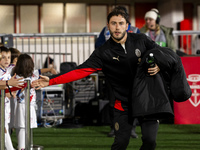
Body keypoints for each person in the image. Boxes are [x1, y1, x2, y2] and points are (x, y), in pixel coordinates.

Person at [32, 7, 191, 150]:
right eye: (113, 23)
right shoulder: (103, 52)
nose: (117, 27)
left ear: (127, 26)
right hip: (123, 104)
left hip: (146, 100)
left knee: (150, 142)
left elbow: (161, 54)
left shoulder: (141, 40)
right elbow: (80, 71)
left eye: (121, 23)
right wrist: (52, 80)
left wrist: (158, 65)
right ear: (107, 26)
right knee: (121, 143)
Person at [95, 6, 139, 138]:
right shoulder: (106, 30)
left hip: (132, 72)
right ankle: (115, 128)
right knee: (113, 101)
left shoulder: (136, 31)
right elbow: (98, 47)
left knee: (133, 101)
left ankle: (131, 129)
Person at [12, 53, 57, 150]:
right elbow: (17, 92)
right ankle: (21, 147)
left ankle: (29, 146)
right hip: (21, 106)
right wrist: (27, 86)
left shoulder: (33, 74)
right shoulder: (17, 77)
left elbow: (40, 70)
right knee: (21, 127)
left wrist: (49, 69)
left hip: (31, 105)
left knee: (29, 127)